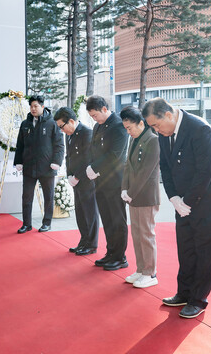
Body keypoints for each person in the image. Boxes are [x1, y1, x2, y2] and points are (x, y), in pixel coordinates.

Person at [143, 98, 211, 319]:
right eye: (153, 127)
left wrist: (187, 201)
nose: (156, 130)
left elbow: (205, 172)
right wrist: (174, 198)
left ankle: (198, 299)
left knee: (204, 252)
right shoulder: (164, 133)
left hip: (207, 201)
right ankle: (184, 293)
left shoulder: (200, 129)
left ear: (168, 115)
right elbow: (165, 167)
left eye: (157, 125)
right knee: (186, 248)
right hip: (182, 203)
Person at [85, 95, 129, 271]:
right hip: (100, 181)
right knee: (107, 219)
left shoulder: (118, 125)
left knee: (118, 220)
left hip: (115, 181)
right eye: (91, 116)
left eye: (95, 115)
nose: (94, 119)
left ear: (104, 109)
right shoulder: (97, 126)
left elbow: (115, 154)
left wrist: (94, 167)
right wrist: (91, 166)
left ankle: (120, 257)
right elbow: (93, 150)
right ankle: (111, 252)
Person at [120, 106, 160, 289]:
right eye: (126, 128)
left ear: (141, 123)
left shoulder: (153, 140)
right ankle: (141, 269)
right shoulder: (133, 139)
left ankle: (150, 273)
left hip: (146, 195)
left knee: (146, 234)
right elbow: (127, 166)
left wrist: (130, 192)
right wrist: (124, 188)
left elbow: (146, 172)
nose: (128, 132)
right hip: (133, 195)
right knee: (136, 234)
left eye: (130, 128)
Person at [14, 95, 64, 233]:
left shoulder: (52, 123)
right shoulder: (25, 124)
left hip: (47, 167)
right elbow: (20, 145)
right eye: (31, 106)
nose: (33, 109)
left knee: (48, 196)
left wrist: (57, 162)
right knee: (26, 197)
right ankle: (26, 224)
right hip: (29, 167)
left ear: (42, 106)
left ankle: (46, 223)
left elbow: (59, 144)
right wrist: (18, 161)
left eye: (36, 106)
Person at [53, 107, 99, 255]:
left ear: (71, 121)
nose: (61, 130)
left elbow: (88, 159)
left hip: (86, 180)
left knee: (90, 212)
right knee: (80, 212)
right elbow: (69, 157)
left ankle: (91, 244)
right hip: (75, 180)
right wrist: (69, 175)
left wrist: (77, 176)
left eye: (62, 126)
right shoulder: (69, 135)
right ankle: (83, 241)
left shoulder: (87, 133)